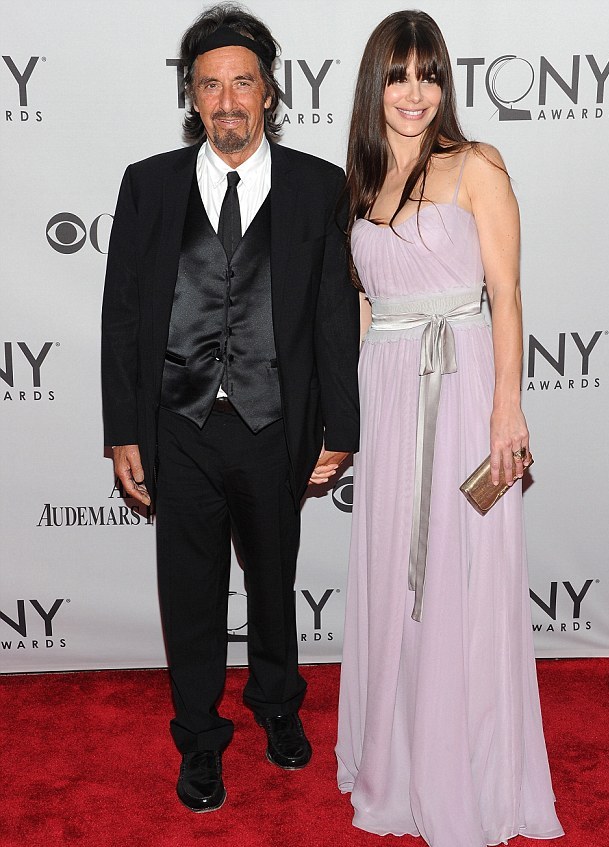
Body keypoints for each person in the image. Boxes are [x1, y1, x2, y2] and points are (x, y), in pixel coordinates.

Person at [101, 3, 359, 813]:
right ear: (191, 94)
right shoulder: (149, 185)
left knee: (275, 582)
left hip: (274, 425)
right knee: (190, 593)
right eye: (210, 85)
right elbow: (123, 316)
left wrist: (341, 428)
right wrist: (122, 431)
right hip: (179, 428)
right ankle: (201, 741)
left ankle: (278, 705)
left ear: (269, 92)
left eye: (242, 82)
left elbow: (334, 317)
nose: (227, 100)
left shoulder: (319, 186)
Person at [335, 11, 564, 846]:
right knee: (395, 573)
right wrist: (341, 419)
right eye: (399, 75)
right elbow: (365, 312)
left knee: (464, 572)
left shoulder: (476, 165)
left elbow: (507, 294)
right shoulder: (359, 184)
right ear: (376, 84)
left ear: (445, 85)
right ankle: (396, 760)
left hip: (464, 389)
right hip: (389, 391)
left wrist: (508, 406)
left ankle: (469, 770)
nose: (414, 92)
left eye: (428, 75)